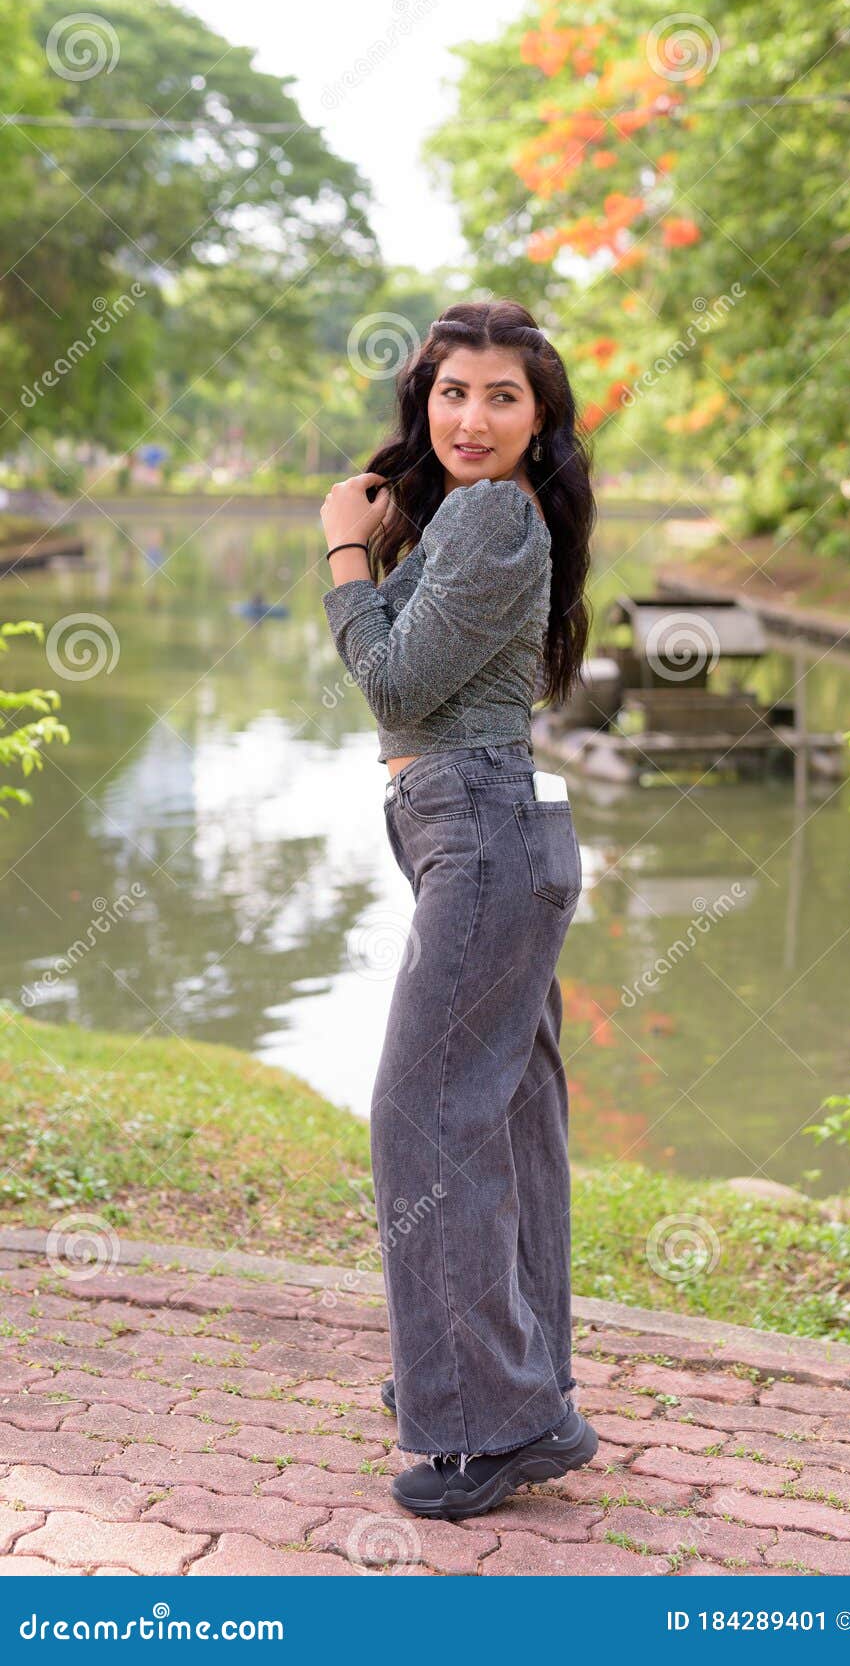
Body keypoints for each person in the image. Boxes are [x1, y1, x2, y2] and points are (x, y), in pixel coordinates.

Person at [319, 300, 597, 1521]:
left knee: (425, 1112)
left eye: (501, 398)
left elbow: (389, 680)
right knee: (503, 1120)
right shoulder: (478, 518)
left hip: (479, 830)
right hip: (486, 828)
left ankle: (489, 1423)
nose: (470, 418)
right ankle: (514, 1391)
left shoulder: (493, 514)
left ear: (539, 423)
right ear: (422, 401)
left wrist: (341, 551)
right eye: (450, 393)